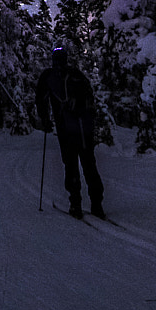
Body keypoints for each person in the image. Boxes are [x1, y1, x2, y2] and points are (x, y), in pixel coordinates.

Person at [35, 47, 104, 219]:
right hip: (85, 129)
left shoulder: (48, 77)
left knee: (71, 165)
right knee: (89, 164)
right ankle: (97, 204)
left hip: (66, 129)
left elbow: (40, 100)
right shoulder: (77, 74)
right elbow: (90, 98)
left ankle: (76, 204)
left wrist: (45, 120)